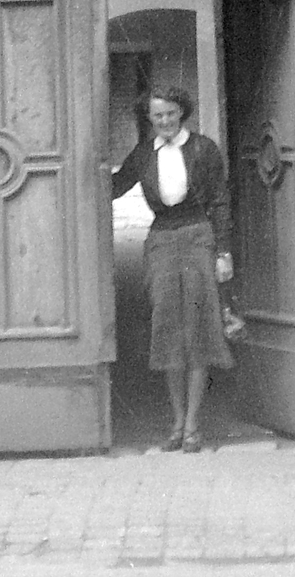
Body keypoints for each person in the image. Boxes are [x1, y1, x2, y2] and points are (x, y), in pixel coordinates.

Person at [111, 85, 234, 452]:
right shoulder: (144, 154)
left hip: (198, 235)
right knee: (167, 327)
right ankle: (176, 422)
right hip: (161, 239)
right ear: (149, 119)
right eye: (157, 115)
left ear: (182, 112)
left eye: (170, 114)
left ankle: (194, 424)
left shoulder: (203, 149)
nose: (164, 121)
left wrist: (223, 251)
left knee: (197, 327)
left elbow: (220, 200)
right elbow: (114, 186)